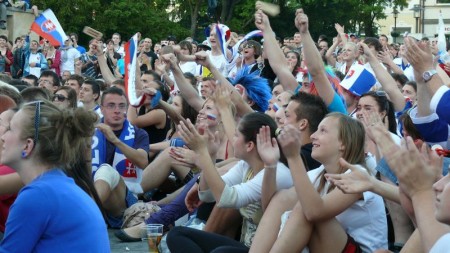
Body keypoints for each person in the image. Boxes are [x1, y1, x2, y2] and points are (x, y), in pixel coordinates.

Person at [167, 112, 293, 252]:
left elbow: (227, 198)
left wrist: (202, 154)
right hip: (245, 245)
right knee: (177, 234)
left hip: (262, 249)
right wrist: (210, 155)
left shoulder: (277, 173)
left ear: (249, 145)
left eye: (236, 135)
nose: (232, 139)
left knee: (221, 252)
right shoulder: (246, 165)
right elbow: (207, 194)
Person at [0, 100, 110, 251]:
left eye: (10, 129)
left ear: (27, 145)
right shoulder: (56, 185)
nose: (3, 137)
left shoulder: (37, 195)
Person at [91, 87, 149, 228]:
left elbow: (143, 161)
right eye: (111, 106)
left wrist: (116, 141)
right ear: (102, 109)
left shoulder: (138, 133)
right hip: (93, 194)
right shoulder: (88, 132)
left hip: (124, 202)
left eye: (121, 106)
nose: (117, 110)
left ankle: (84, 217)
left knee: (106, 170)